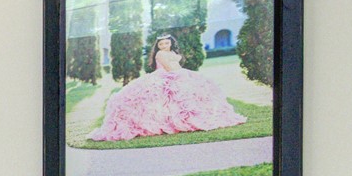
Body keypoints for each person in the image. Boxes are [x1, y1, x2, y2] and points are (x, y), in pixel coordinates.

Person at [88, 34, 246, 141]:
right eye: (161, 44)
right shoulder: (161, 54)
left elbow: (176, 65)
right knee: (166, 99)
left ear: (171, 43)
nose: (164, 45)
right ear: (157, 46)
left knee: (190, 96)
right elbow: (170, 69)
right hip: (166, 76)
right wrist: (182, 74)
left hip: (177, 73)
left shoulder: (172, 52)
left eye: (166, 43)